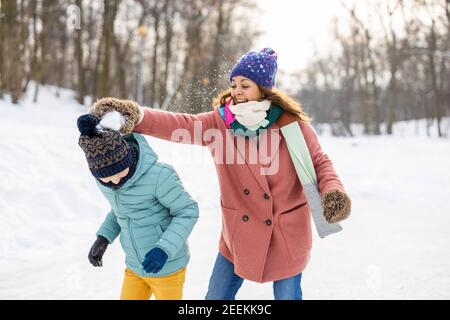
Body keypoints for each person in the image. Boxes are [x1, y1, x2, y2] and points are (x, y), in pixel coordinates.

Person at [90, 48, 351, 300]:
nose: (236, 91)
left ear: (264, 89)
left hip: (285, 233)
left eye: (245, 85)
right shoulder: (221, 122)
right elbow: (181, 124)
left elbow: (320, 162)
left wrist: (333, 191)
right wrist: (137, 117)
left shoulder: (292, 126)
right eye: (234, 83)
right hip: (239, 234)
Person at [77, 112, 199, 300]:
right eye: (106, 178)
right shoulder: (108, 183)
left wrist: (163, 249)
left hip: (168, 267)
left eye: (118, 174)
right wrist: (103, 238)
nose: (115, 182)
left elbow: (187, 211)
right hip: (135, 266)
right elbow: (120, 211)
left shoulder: (159, 176)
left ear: (126, 158)